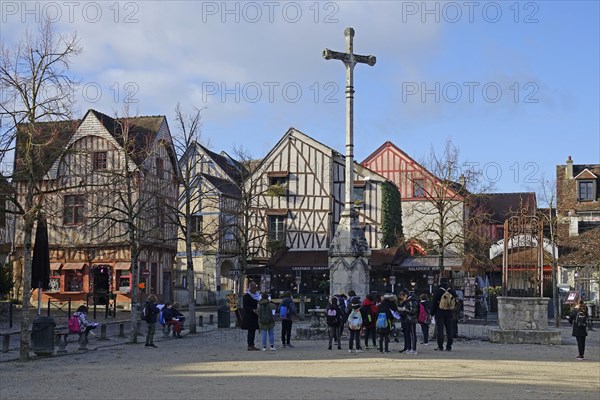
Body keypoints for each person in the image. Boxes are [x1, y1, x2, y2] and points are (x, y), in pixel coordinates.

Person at [430, 278, 457, 351]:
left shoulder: (438, 291)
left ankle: (440, 346)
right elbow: (455, 302)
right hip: (449, 313)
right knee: (449, 330)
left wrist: (431, 313)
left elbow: (434, 303)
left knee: (440, 330)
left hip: (439, 313)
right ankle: (449, 346)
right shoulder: (452, 291)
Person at [398, 289, 419, 354]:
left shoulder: (411, 301)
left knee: (412, 334)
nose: (402, 298)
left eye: (403, 296)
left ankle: (413, 349)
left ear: (406, 295)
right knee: (409, 334)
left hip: (412, 318)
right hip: (408, 318)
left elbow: (413, 311)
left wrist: (405, 310)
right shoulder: (409, 300)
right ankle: (409, 348)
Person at [241, 282, 260, 351]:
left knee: (253, 331)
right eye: (254, 288)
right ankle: (250, 345)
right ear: (250, 288)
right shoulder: (246, 296)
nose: (255, 289)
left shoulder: (258, 295)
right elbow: (245, 306)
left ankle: (252, 344)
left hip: (255, 316)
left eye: (255, 288)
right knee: (251, 331)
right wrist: (252, 310)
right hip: (249, 316)